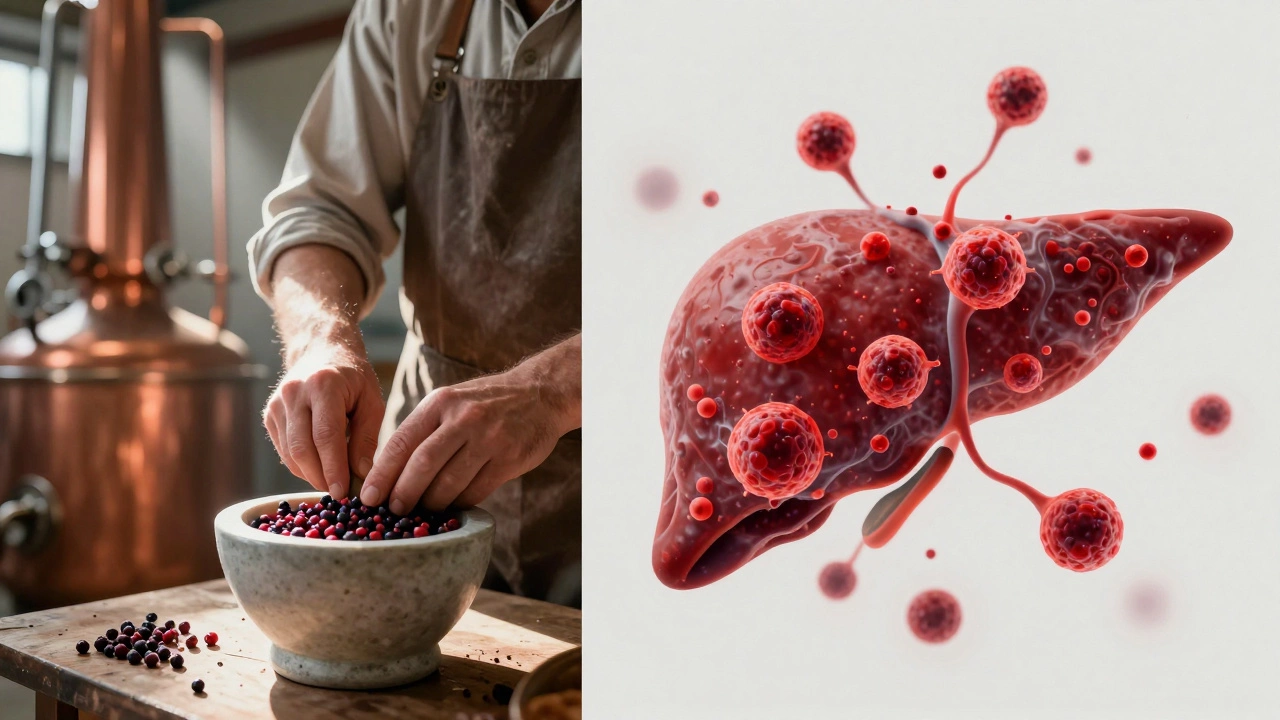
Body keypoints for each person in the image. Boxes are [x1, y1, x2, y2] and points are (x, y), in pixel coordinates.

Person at [247, 0, 582, 606]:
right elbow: (318, 212)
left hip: (654, 490)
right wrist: (320, 341)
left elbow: (762, 279)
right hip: (429, 488)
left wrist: (551, 390)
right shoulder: (408, 11)